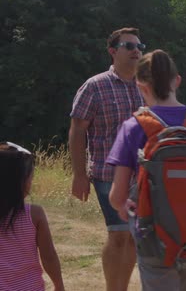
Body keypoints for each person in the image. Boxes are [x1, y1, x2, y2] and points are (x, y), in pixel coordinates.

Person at [107, 49, 186, 290]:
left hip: (153, 239)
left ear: (140, 85)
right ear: (177, 80)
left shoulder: (134, 127)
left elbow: (117, 197)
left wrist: (123, 207)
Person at [69, 27, 145, 290]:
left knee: (134, 237)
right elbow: (78, 130)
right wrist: (79, 174)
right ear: (113, 51)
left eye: (139, 46)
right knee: (118, 236)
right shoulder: (95, 85)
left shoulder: (146, 87)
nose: (137, 51)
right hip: (106, 174)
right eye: (129, 46)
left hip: (141, 175)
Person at [0, 142, 65, 291]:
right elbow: (48, 256)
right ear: (20, 182)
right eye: (31, 177)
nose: (32, 181)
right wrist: (59, 285)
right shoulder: (34, 215)